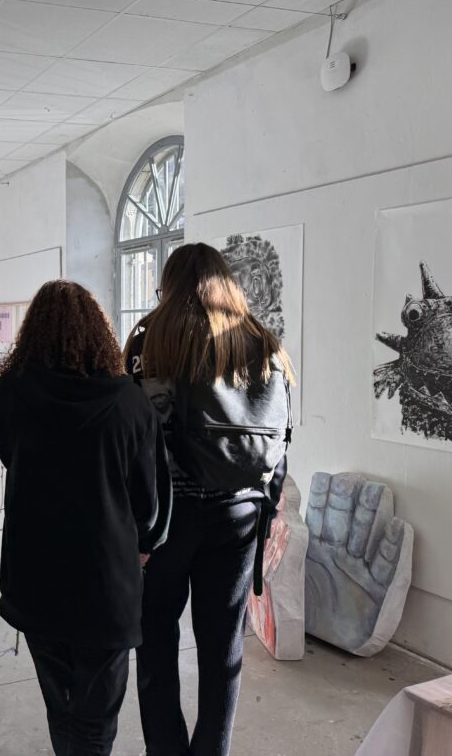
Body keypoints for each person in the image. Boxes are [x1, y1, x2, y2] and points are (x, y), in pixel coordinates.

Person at [125, 243, 295, 756]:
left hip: (166, 519)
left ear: (170, 286)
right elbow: (281, 437)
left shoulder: (151, 338)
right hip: (239, 517)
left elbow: (135, 436)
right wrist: (268, 507)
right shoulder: (265, 344)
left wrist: (133, 522)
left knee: (156, 643)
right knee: (223, 654)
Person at [0, 280, 171, 756]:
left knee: (60, 705)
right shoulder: (131, 404)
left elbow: (12, 459)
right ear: (98, 333)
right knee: (96, 717)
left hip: (34, 574)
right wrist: (145, 544)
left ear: (32, 333)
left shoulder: (7, 394)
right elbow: (149, 501)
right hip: (105, 580)